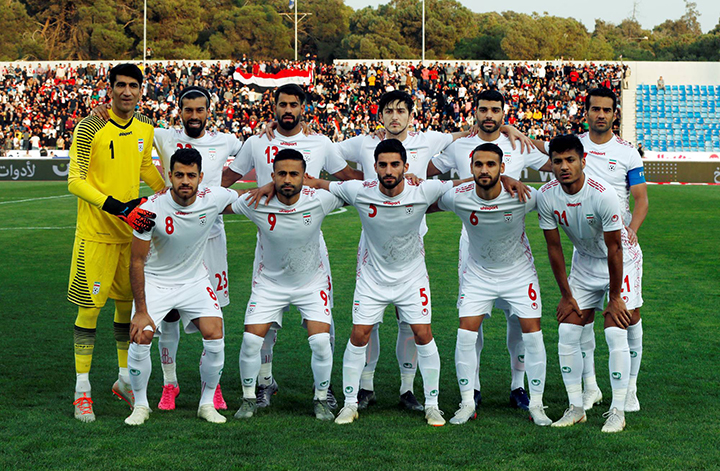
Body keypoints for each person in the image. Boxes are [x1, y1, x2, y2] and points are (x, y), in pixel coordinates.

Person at [335, 90, 532, 412]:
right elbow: (323, 155)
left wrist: (509, 129)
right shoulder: (362, 143)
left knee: (408, 321)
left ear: (411, 115)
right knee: (367, 324)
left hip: (413, 241)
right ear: (380, 115)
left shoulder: (429, 139)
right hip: (372, 243)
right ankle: (365, 387)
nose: (394, 116)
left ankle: (407, 389)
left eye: (401, 110)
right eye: (388, 111)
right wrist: (359, 180)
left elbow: (471, 132)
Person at [92, 85, 243, 411]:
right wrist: (102, 114)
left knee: (213, 318)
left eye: (199, 110)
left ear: (208, 111)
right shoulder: (163, 136)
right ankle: (170, 384)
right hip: (170, 233)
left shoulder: (227, 140)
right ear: (179, 111)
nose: (193, 115)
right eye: (187, 110)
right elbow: (128, 121)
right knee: (170, 315)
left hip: (211, 236)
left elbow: (258, 150)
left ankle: (210, 388)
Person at [305, 139, 469, 426]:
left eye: (395, 164)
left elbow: (467, 185)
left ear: (406, 166)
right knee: (359, 335)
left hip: (411, 278)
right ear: (375, 167)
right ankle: (349, 404)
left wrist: (503, 178)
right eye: (383, 165)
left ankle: (432, 405)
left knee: (423, 334)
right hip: (372, 279)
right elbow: (318, 183)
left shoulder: (424, 189)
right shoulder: (359, 190)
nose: (389, 170)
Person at [222, 83, 362, 409]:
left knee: (322, 329)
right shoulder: (257, 142)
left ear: (303, 108)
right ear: (273, 107)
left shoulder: (320, 142)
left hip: (311, 246)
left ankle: (323, 390)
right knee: (263, 326)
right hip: (268, 244)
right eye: (282, 104)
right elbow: (227, 179)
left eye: (293, 105)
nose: (287, 110)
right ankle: (265, 382)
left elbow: (349, 177)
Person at [428, 89, 551, 411]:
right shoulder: (458, 146)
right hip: (473, 243)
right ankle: (475, 389)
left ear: (503, 113)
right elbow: (427, 171)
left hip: (512, 244)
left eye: (495, 110)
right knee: (473, 321)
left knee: (518, 321)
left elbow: (559, 162)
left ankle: (518, 386)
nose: (489, 115)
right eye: (483, 109)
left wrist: (527, 136)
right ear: (475, 111)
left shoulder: (517, 144)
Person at [534, 88, 648, 413]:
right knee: (577, 323)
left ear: (615, 114)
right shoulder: (573, 145)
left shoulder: (627, 153)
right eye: (595, 109)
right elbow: (534, 154)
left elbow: (641, 199)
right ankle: (591, 388)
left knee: (627, 319)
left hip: (618, 247)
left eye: (606, 110)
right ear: (586, 112)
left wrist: (632, 230)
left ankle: (630, 390)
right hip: (584, 250)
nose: (600, 114)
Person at [68, 63, 165, 422]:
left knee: (126, 309)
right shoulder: (90, 125)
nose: (127, 91)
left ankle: (124, 379)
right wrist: (120, 208)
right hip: (95, 235)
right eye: (120, 85)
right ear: (109, 89)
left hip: (130, 235)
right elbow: (75, 181)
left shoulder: (145, 128)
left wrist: (170, 196)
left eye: (133, 86)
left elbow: (145, 169)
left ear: (142, 90)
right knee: (89, 310)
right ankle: (83, 391)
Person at [125, 147, 239, 426]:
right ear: (169, 176)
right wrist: (141, 310)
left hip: (195, 281)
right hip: (156, 281)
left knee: (215, 334)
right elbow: (137, 261)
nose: (185, 181)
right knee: (141, 337)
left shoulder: (214, 197)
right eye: (179, 175)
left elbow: (249, 199)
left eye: (191, 175)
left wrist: (274, 186)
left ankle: (206, 403)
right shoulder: (150, 209)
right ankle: (140, 406)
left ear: (201, 177)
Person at [231, 149, 343, 421]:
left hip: (310, 282)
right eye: (281, 174)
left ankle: (320, 399)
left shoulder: (321, 200)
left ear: (304, 176)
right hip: (270, 284)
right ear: (273, 177)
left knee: (320, 342)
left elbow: (359, 190)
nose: (288, 179)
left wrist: (320, 182)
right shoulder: (255, 201)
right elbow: (215, 201)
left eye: (294, 174)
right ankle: (248, 399)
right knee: (250, 341)